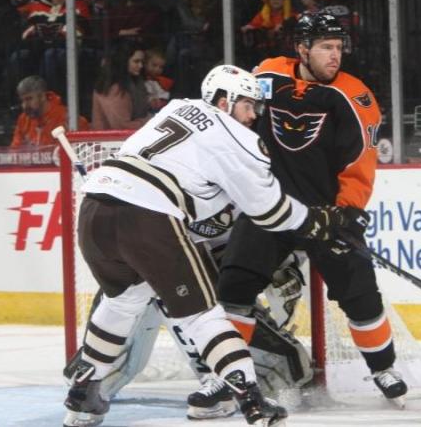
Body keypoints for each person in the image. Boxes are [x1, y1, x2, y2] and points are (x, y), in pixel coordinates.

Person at [62, 64, 358, 426]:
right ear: (223, 101)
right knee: (203, 314)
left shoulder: (174, 109)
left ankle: (83, 390)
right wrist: (317, 220)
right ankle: (252, 401)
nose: (253, 116)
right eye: (248, 105)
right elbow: (270, 212)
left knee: (123, 301)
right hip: (148, 215)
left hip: (94, 208)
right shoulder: (235, 136)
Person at [215, 12, 409, 405]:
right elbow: (235, 118)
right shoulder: (268, 75)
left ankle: (383, 368)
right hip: (270, 208)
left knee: (359, 290)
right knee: (235, 285)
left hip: (325, 213)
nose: (335, 55)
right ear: (302, 49)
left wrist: (348, 212)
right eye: (325, 47)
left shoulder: (355, 97)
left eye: (338, 47)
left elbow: (360, 162)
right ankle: (228, 376)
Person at [10, 75, 88, 148]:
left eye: (29, 99)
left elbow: (82, 151)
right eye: (22, 101)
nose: (24, 105)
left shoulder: (67, 118)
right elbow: (14, 152)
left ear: (42, 96)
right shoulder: (23, 120)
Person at [91, 44, 151, 130]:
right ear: (123, 61)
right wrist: (150, 121)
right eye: (136, 61)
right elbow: (122, 126)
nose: (141, 66)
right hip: (112, 140)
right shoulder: (114, 88)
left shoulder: (134, 82)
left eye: (142, 62)